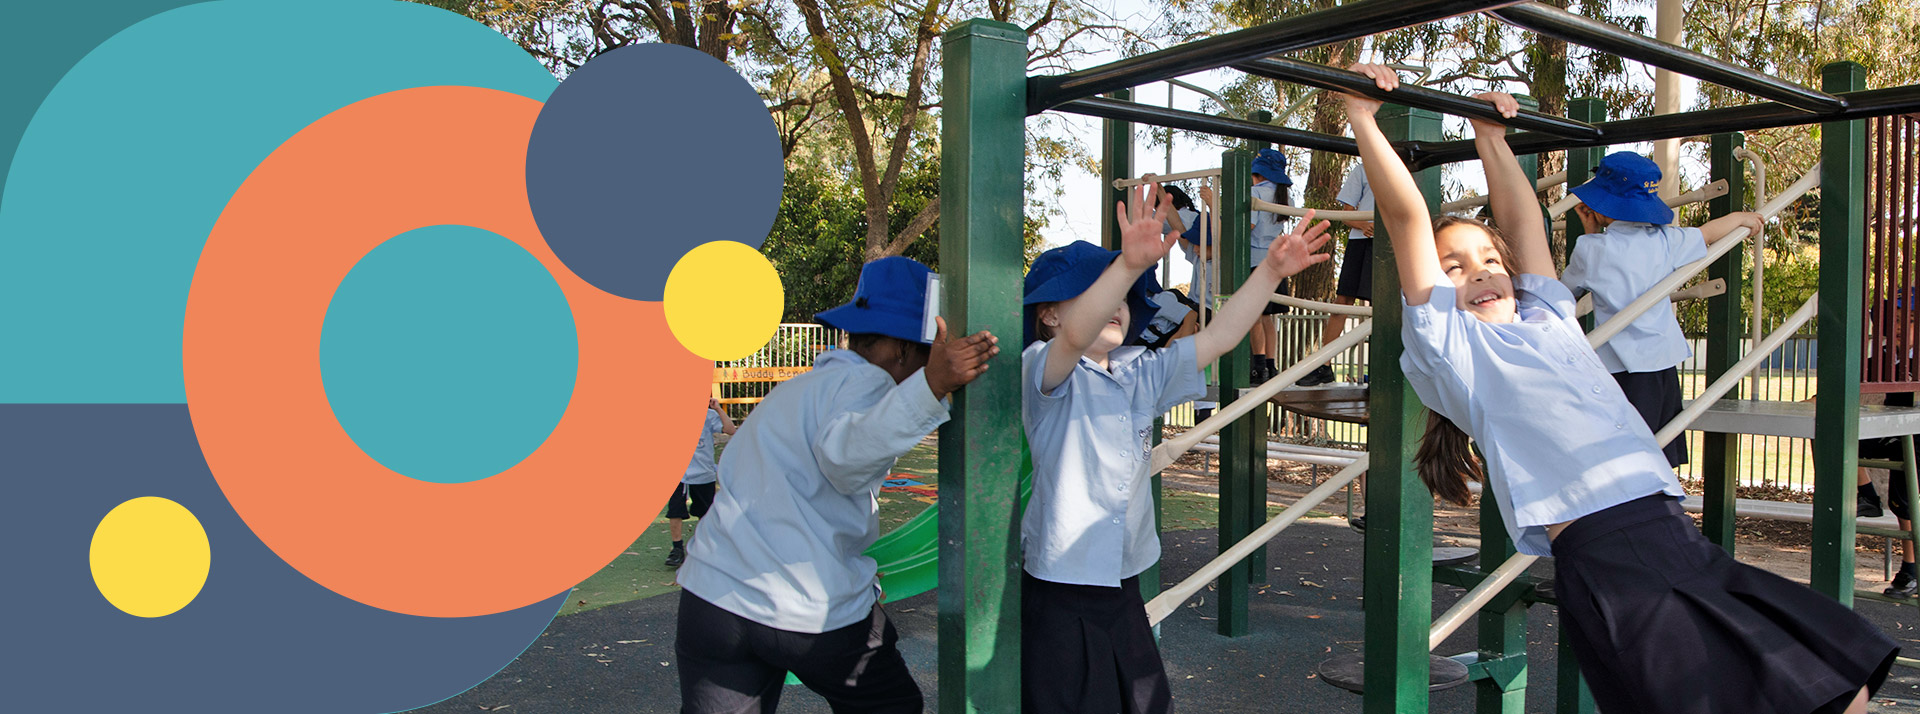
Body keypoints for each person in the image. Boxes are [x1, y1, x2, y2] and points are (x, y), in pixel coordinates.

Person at [1340, 63, 1895, 714]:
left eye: (1489, 262)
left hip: (1670, 531)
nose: (1480, 273)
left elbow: (1525, 231)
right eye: (1454, 268)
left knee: (1836, 683)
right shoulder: (1460, 349)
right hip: (1613, 556)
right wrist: (1361, 120)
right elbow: (1408, 220)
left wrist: (1492, 139)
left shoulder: (1548, 320)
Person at [1020, 185, 1332, 714]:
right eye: (1098, 290)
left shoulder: (1140, 371)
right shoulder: (1045, 369)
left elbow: (1220, 338)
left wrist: (1271, 274)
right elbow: (1075, 337)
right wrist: (1126, 264)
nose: (1118, 303)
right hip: (1061, 585)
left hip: (1122, 581)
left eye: (1123, 294)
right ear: (1048, 315)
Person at [674, 257, 998, 713]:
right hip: (802, 606)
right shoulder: (866, 381)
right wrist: (931, 385)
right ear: (901, 350)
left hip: (713, 598)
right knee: (891, 705)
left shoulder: (797, 391)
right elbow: (846, 455)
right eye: (929, 351)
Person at [1560, 152, 1765, 467]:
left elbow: (1566, 291)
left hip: (1619, 365)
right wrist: (1742, 219)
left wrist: (1589, 231)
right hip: (1661, 362)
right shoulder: (1667, 241)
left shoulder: (1592, 249)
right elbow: (1709, 233)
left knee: (1624, 448)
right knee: (1661, 444)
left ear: (1601, 206)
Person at [1857, 293, 1918, 596]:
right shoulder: (1883, 359)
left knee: (1905, 496)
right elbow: (1854, 376)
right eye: (1893, 320)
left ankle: (1911, 568)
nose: (1897, 327)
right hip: (1894, 434)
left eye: (1906, 321)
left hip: (1914, 438)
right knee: (1838, 435)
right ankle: (1865, 494)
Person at [1299, 163, 1376, 386]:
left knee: (1382, 306)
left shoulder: (1407, 167)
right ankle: (1323, 365)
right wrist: (1364, 225)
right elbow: (1346, 215)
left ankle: (1381, 370)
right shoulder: (1363, 169)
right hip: (1361, 242)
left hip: (1392, 242)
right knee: (1343, 300)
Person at [665, 394, 737, 567]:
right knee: (675, 511)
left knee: (704, 513)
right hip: (680, 476)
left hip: (703, 474)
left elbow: (730, 430)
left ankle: (703, 547)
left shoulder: (709, 416)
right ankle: (677, 549)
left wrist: (718, 408)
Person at [1249, 148, 1296, 384]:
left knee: (1255, 315)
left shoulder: (1255, 193)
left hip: (1254, 258)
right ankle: (1271, 365)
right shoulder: (1285, 196)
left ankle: (1257, 366)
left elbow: (1248, 226)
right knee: (1269, 317)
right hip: (1275, 260)